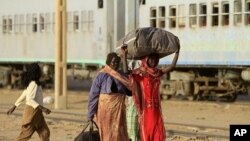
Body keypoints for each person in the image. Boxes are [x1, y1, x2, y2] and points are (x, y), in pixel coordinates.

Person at [121, 45, 180, 141]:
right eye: (151, 59)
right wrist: (124, 54)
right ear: (146, 60)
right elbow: (126, 71)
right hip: (145, 111)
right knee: (146, 134)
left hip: (156, 110)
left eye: (155, 59)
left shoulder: (157, 72)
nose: (153, 61)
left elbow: (172, 66)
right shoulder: (141, 73)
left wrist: (177, 52)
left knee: (158, 134)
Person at [87, 52, 131, 141]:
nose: (116, 64)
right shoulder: (101, 75)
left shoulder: (122, 75)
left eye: (118, 62)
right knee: (107, 134)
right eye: (114, 62)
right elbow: (93, 96)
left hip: (119, 112)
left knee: (119, 133)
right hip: (105, 113)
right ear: (108, 62)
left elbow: (130, 90)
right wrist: (90, 115)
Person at [7, 63, 51, 141]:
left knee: (45, 133)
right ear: (36, 72)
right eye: (39, 70)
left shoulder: (36, 84)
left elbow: (25, 93)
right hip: (31, 113)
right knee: (24, 136)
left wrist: (14, 106)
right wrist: (43, 108)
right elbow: (29, 99)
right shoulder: (33, 84)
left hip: (38, 114)